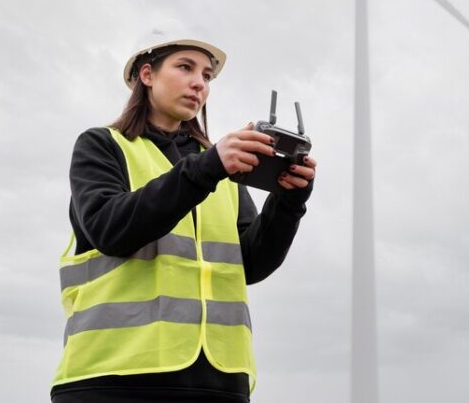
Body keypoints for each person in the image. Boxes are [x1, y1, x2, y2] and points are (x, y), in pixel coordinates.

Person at [51, 30, 316, 402]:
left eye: (206, 75)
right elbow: (111, 230)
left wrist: (289, 203)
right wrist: (207, 168)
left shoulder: (221, 167)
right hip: (114, 379)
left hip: (219, 381)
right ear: (147, 75)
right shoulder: (102, 146)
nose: (199, 83)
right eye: (185, 67)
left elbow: (251, 264)